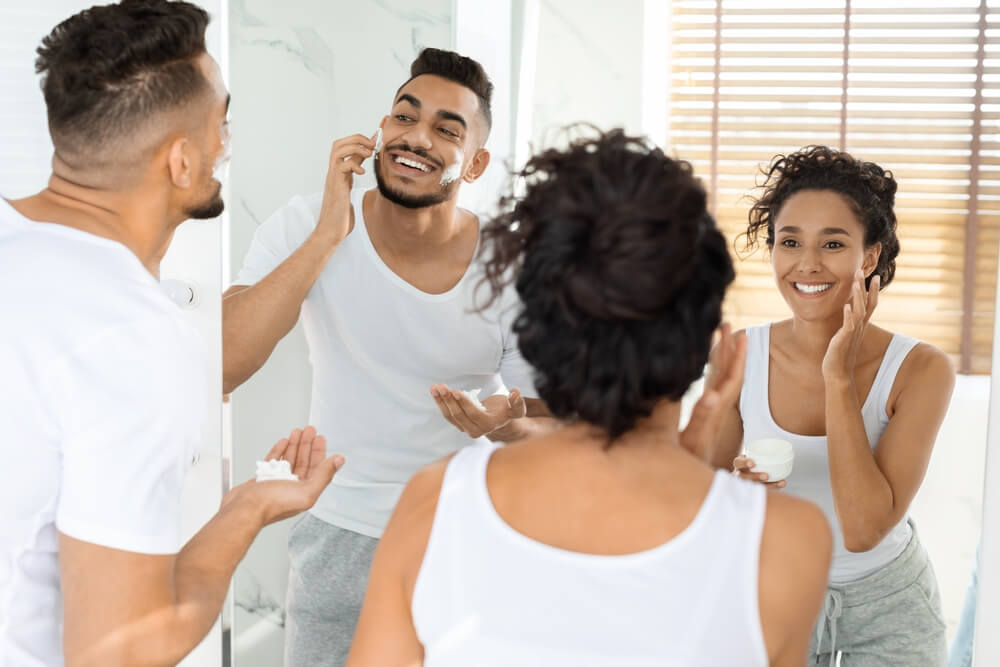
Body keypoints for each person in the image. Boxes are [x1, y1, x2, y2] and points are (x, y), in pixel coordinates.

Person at [346, 128, 833, 666]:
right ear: (720, 349)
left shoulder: (434, 504)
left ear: (536, 331)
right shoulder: (786, 542)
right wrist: (694, 467)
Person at [0, 2, 342, 665]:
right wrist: (246, 511)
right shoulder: (131, 336)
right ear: (182, 162)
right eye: (222, 125)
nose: (226, 144)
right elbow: (117, 653)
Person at [223, 47, 551, 664]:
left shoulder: (514, 265)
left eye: (446, 130)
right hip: (339, 536)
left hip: (468, 538)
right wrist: (327, 235)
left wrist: (504, 423)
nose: (417, 137)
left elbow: (563, 427)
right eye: (405, 116)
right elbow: (220, 362)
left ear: (475, 163)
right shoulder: (307, 226)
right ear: (379, 131)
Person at [716, 146, 955, 665]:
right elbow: (694, 499)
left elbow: (864, 530)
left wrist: (837, 379)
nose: (807, 264)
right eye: (790, 242)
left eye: (833, 243)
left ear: (868, 256)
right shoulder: (739, 355)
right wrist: (734, 494)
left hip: (889, 608)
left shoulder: (922, 370)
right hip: (775, 594)